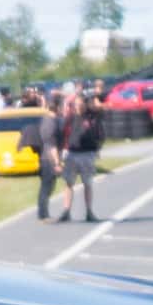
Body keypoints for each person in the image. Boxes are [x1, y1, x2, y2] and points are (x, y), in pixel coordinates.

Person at [60, 90, 103, 222]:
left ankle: (89, 212)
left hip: (87, 154)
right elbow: (62, 135)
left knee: (87, 184)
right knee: (68, 183)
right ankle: (66, 211)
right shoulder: (69, 118)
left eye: (80, 104)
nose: (78, 106)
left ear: (85, 104)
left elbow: (100, 136)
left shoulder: (92, 118)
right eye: (76, 104)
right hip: (72, 154)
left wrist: (96, 151)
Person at [25, 94, 61, 221]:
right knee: (46, 187)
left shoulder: (47, 120)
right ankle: (43, 214)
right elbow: (51, 144)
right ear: (57, 107)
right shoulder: (51, 123)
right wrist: (56, 163)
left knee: (48, 187)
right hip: (48, 159)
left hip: (46, 157)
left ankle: (44, 213)